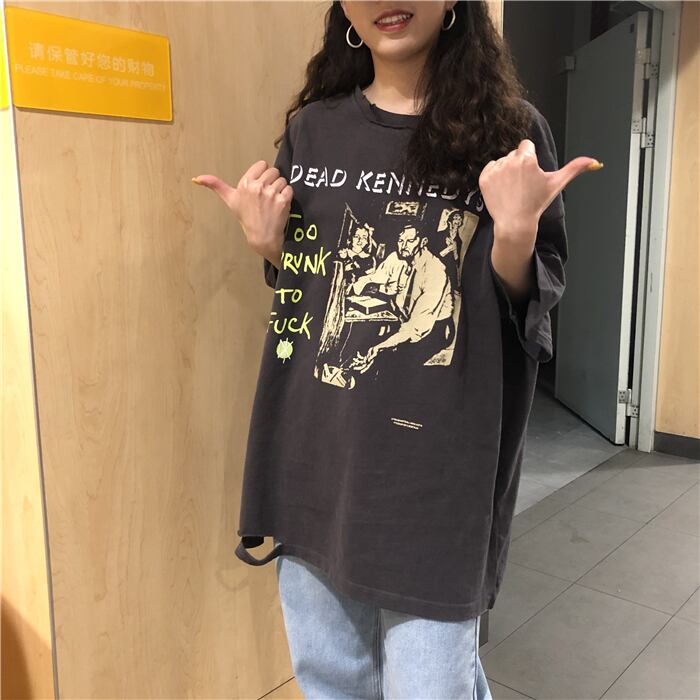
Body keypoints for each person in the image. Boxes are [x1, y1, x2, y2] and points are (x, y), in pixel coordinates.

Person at [192, 1, 603, 697]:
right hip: (315, 459)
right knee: (330, 680)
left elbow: (526, 304)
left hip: (437, 479)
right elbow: (312, 288)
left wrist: (515, 232)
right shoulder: (314, 131)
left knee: (431, 685)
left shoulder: (509, 133)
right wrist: (272, 244)